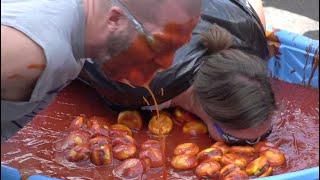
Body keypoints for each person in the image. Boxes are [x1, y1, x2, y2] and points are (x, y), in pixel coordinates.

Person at [1, 0, 201, 140]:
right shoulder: (32, 52)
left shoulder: (73, 31)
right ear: (114, 19)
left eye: (177, 49)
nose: (168, 63)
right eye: (159, 46)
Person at [82, 0, 275, 145]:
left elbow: (256, 4)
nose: (254, 149)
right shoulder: (138, 83)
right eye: (236, 142)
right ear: (209, 114)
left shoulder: (254, 38)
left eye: (267, 134)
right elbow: (73, 45)